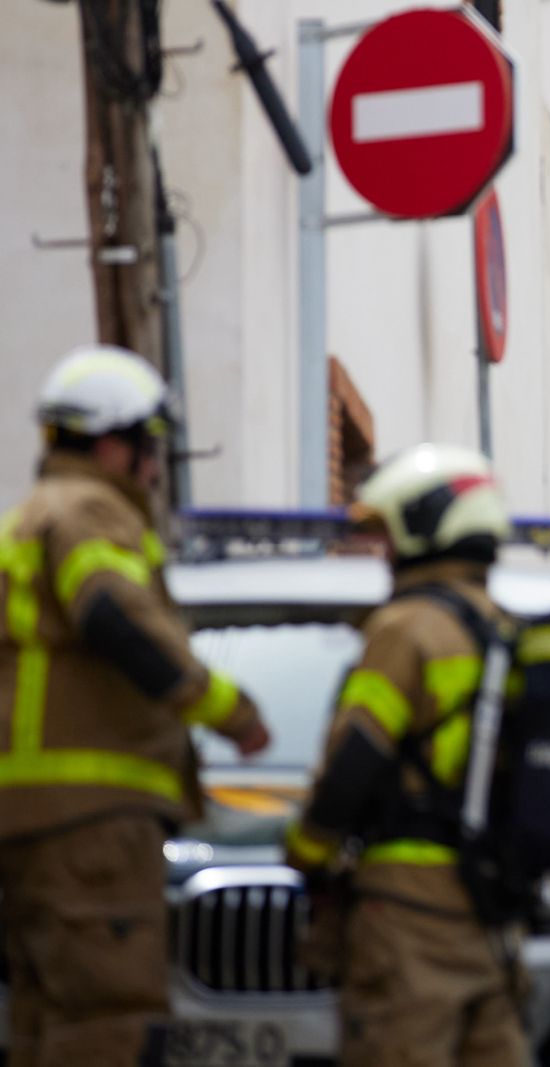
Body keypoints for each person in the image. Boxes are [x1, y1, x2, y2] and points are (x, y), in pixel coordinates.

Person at [0, 345, 268, 1065]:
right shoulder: (89, 511)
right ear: (116, 443)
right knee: (108, 1021)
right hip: (90, 825)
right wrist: (227, 708)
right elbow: (115, 616)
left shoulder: (24, 520)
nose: (154, 469)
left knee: (40, 1020)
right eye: (150, 449)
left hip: (25, 820)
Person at [284, 443, 536, 1066]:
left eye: (389, 535)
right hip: (492, 914)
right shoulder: (507, 630)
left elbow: (354, 761)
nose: (385, 553)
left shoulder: (406, 629)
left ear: (424, 529)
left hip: (406, 913)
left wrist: (307, 855)